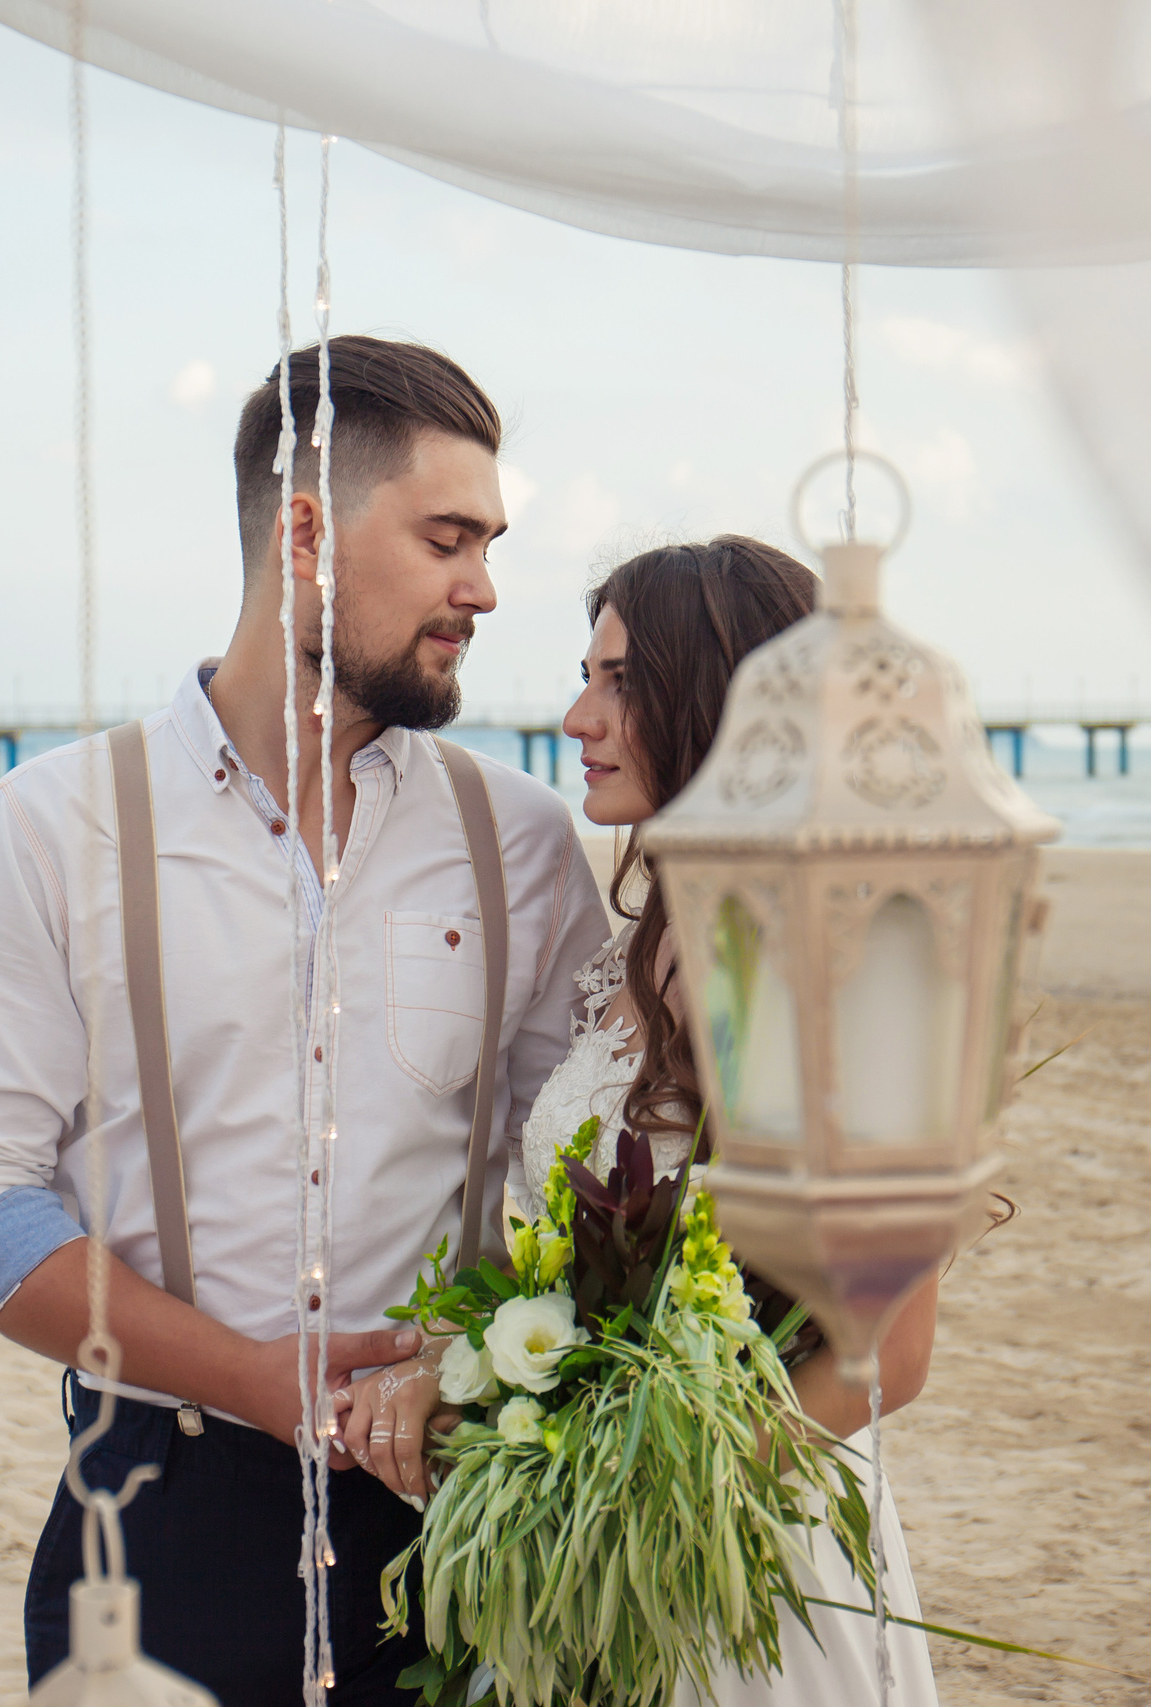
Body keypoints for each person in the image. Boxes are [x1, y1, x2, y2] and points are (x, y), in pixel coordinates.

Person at [0, 336, 609, 1706]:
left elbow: (580, 1175)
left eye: (489, 544)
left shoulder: (520, 841)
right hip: (160, 1513)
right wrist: (249, 1379)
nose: (483, 588)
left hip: (462, 1516)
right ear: (306, 534)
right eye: (448, 539)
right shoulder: (55, 826)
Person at [339, 538, 948, 1707]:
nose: (578, 716)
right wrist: (463, 1373)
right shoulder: (645, 942)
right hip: (597, 1559)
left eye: (620, 682)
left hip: (727, 1556)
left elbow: (888, 1355)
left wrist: (632, 1500)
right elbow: (581, 1266)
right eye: (587, 676)